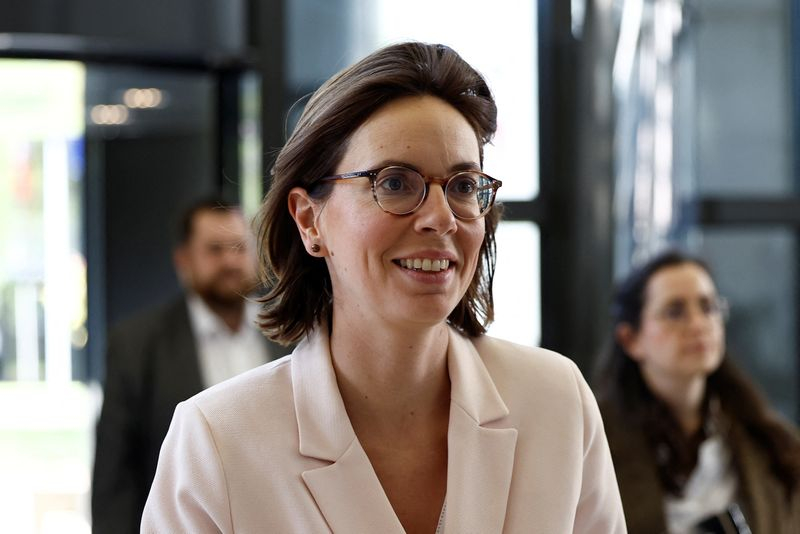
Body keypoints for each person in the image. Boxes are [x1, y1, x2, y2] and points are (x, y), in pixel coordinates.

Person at [141, 42, 625, 533]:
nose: (440, 218)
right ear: (309, 220)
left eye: (462, 186)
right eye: (394, 183)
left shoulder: (557, 401)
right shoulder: (218, 442)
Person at [92, 198, 283, 534]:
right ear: (183, 260)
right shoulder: (136, 345)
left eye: (239, 248)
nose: (230, 261)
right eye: (214, 250)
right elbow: (115, 478)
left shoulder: (291, 332)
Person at [595, 249, 800, 533]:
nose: (698, 324)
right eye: (675, 312)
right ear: (630, 339)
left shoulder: (770, 443)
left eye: (708, 307)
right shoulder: (597, 440)